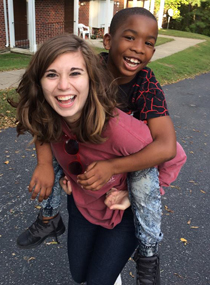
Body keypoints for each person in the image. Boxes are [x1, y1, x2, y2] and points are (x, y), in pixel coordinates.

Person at [15, 8, 187, 285]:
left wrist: (113, 169)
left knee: (143, 183)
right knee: (57, 144)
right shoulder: (85, 70)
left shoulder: (146, 88)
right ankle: (49, 216)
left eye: (149, 42)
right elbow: (42, 117)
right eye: (129, 37)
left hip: (132, 160)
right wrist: (48, 164)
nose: (138, 49)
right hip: (89, 166)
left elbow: (167, 150)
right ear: (108, 41)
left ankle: (148, 254)